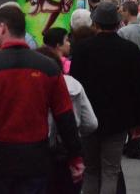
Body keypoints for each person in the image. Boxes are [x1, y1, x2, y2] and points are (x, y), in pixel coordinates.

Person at [0, 5, 82, 193]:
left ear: (2, 28)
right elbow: (64, 114)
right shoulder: (48, 67)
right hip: (35, 158)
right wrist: (75, 156)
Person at [69, 1, 140, 194]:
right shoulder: (129, 50)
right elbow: (137, 87)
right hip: (118, 119)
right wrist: (138, 122)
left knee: (91, 170)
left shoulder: (81, 49)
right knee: (111, 170)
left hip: (88, 117)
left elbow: (75, 86)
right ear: (118, 23)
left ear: (95, 24)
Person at [36, 46, 98, 194]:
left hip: (40, 150)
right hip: (70, 148)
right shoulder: (74, 84)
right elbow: (91, 123)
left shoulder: (34, 85)